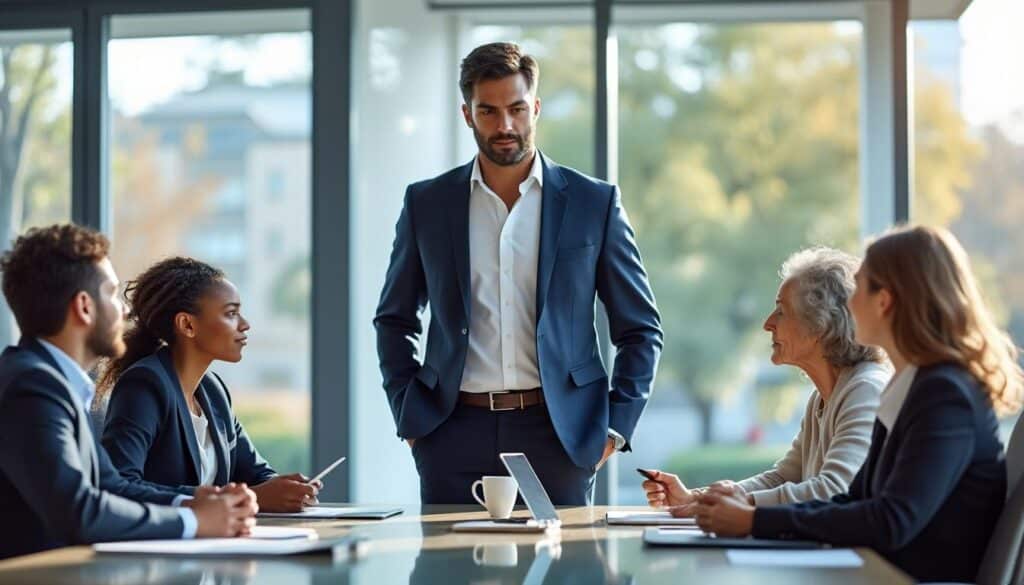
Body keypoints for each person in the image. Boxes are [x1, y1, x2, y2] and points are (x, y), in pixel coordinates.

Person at [374, 42, 662, 504]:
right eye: (488, 111)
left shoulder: (594, 203)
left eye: (516, 108)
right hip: (450, 432)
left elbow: (640, 329)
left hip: (560, 435)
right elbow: (395, 319)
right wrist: (411, 419)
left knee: (566, 574)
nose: (504, 125)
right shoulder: (426, 204)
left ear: (536, 108)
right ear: (467, 114)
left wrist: (612, 430)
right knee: (447, 573)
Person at [692, 226, 1023, 583]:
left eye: (859, 287)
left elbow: (890, 520)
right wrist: (752, 517)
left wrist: (754, 520)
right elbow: (853, 499)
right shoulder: (912, 384)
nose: (848, 304)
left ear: (885, 301)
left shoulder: (945, 394)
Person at [0, 224, 258, 560]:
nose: (125, 311)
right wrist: (193, 520)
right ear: (84, 307)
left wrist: (194, 502)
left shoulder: (54, 383)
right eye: (111, 293)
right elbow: (80, 512)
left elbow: (112, 486)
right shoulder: (32, 387)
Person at [642, 247, 890, 511]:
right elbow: (783, 478)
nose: (768, 323)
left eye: (781, 311)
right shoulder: (822, 398)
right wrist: (700, 498)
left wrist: (739, 506)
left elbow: (834, 490)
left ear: (820, 326)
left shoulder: (865, 389)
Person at [98, 257, 320, 513]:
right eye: (231, 313)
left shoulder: (213, 391)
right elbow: (119, 485)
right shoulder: (144, 385)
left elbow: (256, 475)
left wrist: (288, 489)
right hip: (158, 547)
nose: (245, 324)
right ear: (187, 325)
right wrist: (243, 499)